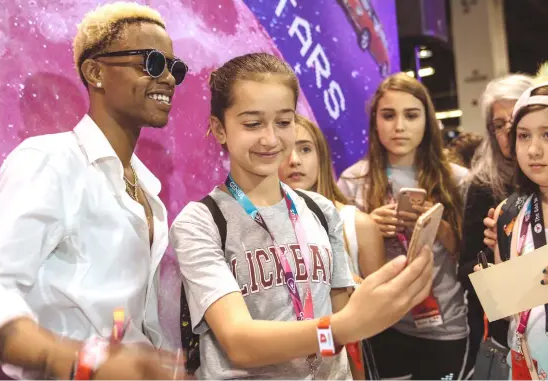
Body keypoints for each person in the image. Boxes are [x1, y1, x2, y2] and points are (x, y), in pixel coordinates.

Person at [170, 53, 434, 380]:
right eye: (252, 124)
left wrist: (384, 300)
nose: (270, 139)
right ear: (219, 129)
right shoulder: (201, 222)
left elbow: (344, 321)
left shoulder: (320, 211)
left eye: (283, 122)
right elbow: (239, 342)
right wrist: (341, 327)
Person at [0, 2, 189, 379]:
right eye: (152, 63)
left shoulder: (147, 190)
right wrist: (80, 361)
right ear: (95, 71)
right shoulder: (49, 161)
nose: (169, 79)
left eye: (175, 68)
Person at [337, 72, 469, 380]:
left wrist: (440, 228)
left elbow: (474, 257)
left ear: (427, 120)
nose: (399, 126)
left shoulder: (458, 179)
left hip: (445, 324)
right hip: (382, 324)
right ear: (375, 122)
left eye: (411, 115)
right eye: (388, 115)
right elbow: (342, 265)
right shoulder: (353, 181)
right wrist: (369, 229)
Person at [478, 58, 548, 380]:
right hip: (528, 365)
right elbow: (511, 311)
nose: (533, 150)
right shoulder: (509, 212)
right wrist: (494, 284)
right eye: (523, 136)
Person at [278, 114, 385, 379]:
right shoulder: (257, 227)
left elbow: (381, 316)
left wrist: (355, 294)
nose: (295, 160)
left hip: (346, 365)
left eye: (305, 148)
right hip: (282, 363)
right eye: (285, 149)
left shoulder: (357, 224)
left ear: (321, 157)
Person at [457, 74, 534, 376]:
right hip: (507, 336)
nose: (508, 132)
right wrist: (496, 256)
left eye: (514, 120)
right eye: (497, 125)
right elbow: (467, 271)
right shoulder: (483, 185)